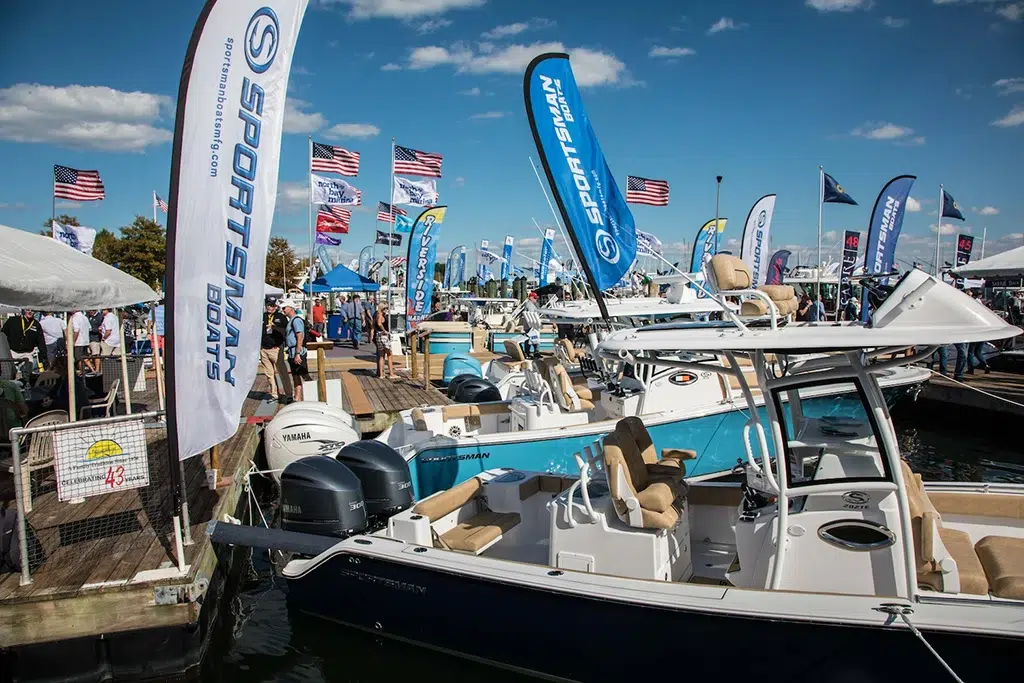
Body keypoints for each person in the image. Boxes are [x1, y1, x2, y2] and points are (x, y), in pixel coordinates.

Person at [260, 298, 292, 402]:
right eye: (268, 305)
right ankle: (275, 394)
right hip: (264, 349)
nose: (270, 307)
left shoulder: (281, 317)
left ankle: (289, 394)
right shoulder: (263, 316)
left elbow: (286, 331)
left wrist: (275, 327)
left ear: (276, 306)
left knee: (282, 372)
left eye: (272, 305)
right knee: (269, 374)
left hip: (276, 348)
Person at [2, 309, 47, 379]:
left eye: (32, 311)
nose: (30, 312)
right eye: (28, 310)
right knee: (10, 374)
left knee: (27, 375)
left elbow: (41, 341)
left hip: (27, 353)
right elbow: (3, 334)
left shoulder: (36, 324)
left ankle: (26, 386)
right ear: (24, 310)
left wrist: (44, 356)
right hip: (12, 352)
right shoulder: (13, 321)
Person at [279, 299, 310, 401]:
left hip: (298, 352)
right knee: (296, 375)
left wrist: (297, 353)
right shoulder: (291, 320)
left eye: (284, 308)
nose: (283, 310)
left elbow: (300, 336)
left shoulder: (296, 320)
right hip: (292, 352)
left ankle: (314, 394)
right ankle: (297, 398)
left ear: (291, 308)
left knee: (304, 374)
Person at [374, 302, 396, 379]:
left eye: (387, 308)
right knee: (389, 354)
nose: (386, 310)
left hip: (378, 335)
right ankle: (391, 373)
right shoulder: (380, 314)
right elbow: (379, 323)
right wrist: (384, 330)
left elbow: (375, 324)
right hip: (383, 336)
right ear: (381, 308)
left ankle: (381, 374)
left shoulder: (377, 314)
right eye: (385, 308)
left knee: (381, 355)